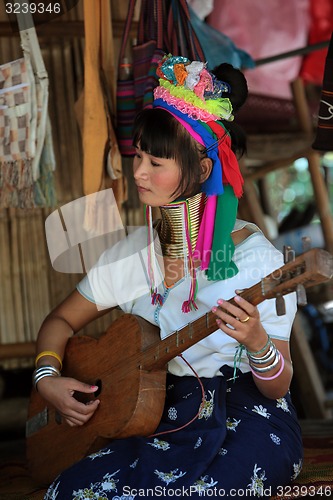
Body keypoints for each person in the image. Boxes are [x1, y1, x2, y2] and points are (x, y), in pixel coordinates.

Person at [35, 54, 303, 499]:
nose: (138, 171)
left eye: (156, 162)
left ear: (202, 169)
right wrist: (47, 380)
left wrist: (257, 343)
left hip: (250, 415)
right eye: (139, 154)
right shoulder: (130, 256)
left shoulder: (258, 262)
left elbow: (279, 384)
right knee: (71, 490)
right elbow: (59, 323)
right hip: (160, 411)